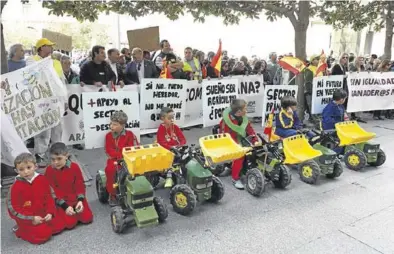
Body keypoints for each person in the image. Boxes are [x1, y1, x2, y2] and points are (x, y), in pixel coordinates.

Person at [6, 153, 65, 244]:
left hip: (43, 214)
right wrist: (31, 218)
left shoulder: (42, 179)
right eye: (21, 169)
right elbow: (14, 209)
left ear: (35, 166)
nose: (25, 172)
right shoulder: (15, 187)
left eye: (29, 167)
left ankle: (43, 225)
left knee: (60, 225)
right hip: (28, 217)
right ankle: (21, 229)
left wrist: (50, 212)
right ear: (16, 170)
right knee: (42, 235)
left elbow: (50, 197)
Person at [26, 38, 66, 166]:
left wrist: (64, 99)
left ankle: (58, 153)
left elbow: (61, 81)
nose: (51, 48)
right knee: (43, 128)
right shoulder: (32, 60)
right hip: (41, 100)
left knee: (57, 128)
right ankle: (40, 154)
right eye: (49, 46)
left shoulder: (56, 62)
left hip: (56, 99)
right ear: (41, 47)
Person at [45, 143, 93, 229]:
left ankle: (76, 209)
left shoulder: (74, 167)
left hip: (75, 197)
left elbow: (80, 185)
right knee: (70, 224)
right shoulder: (49, 170)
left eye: (59, 159)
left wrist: (80, 201)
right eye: (53, 159)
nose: (56, 162)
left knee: (87, 218)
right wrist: (65, 206)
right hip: (61, 200)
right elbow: (51, 192)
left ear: (66, 156)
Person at [219, 99, 257, 189]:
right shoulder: (225, 122)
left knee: (256, 150)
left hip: (241, 140)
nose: (246, 110)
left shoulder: (244, 118)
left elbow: (250, 129)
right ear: (239, 111)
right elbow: (224, 137)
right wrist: (237, 145)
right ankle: (235, 178)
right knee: (240, 156)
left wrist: (255, 140)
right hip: (229, 143)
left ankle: (244, 169)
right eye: (245, 109)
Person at [105, 111, 139, 206]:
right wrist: (119, 155)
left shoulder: (129, 134)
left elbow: (131, 148)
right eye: (111, 123)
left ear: (123, 125)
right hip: (114, 160)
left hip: (127, 158)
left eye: (115, 124)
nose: (111, 126)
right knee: (110, 170)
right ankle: (112, 194)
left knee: (137, 169)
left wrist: (123, 155)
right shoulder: (108, 136)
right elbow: (109, 150)